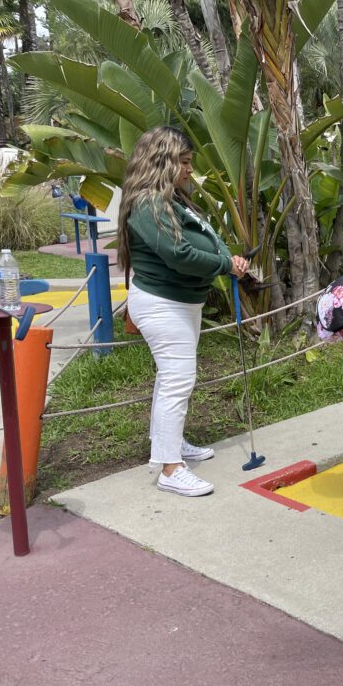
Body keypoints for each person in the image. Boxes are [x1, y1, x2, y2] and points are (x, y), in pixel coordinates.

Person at [117, 127, 250, 497]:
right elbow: (177, 255)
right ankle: (170, 469)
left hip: (181, 304)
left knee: (172, 378)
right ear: (164, 161)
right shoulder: (147, 203)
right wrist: (224, 265)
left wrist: (228, 258)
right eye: (185, 161)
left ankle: (170, 445)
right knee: (178, 380)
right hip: (163, 304)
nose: (190, 169)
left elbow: (197, 241)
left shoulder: (171, 199)